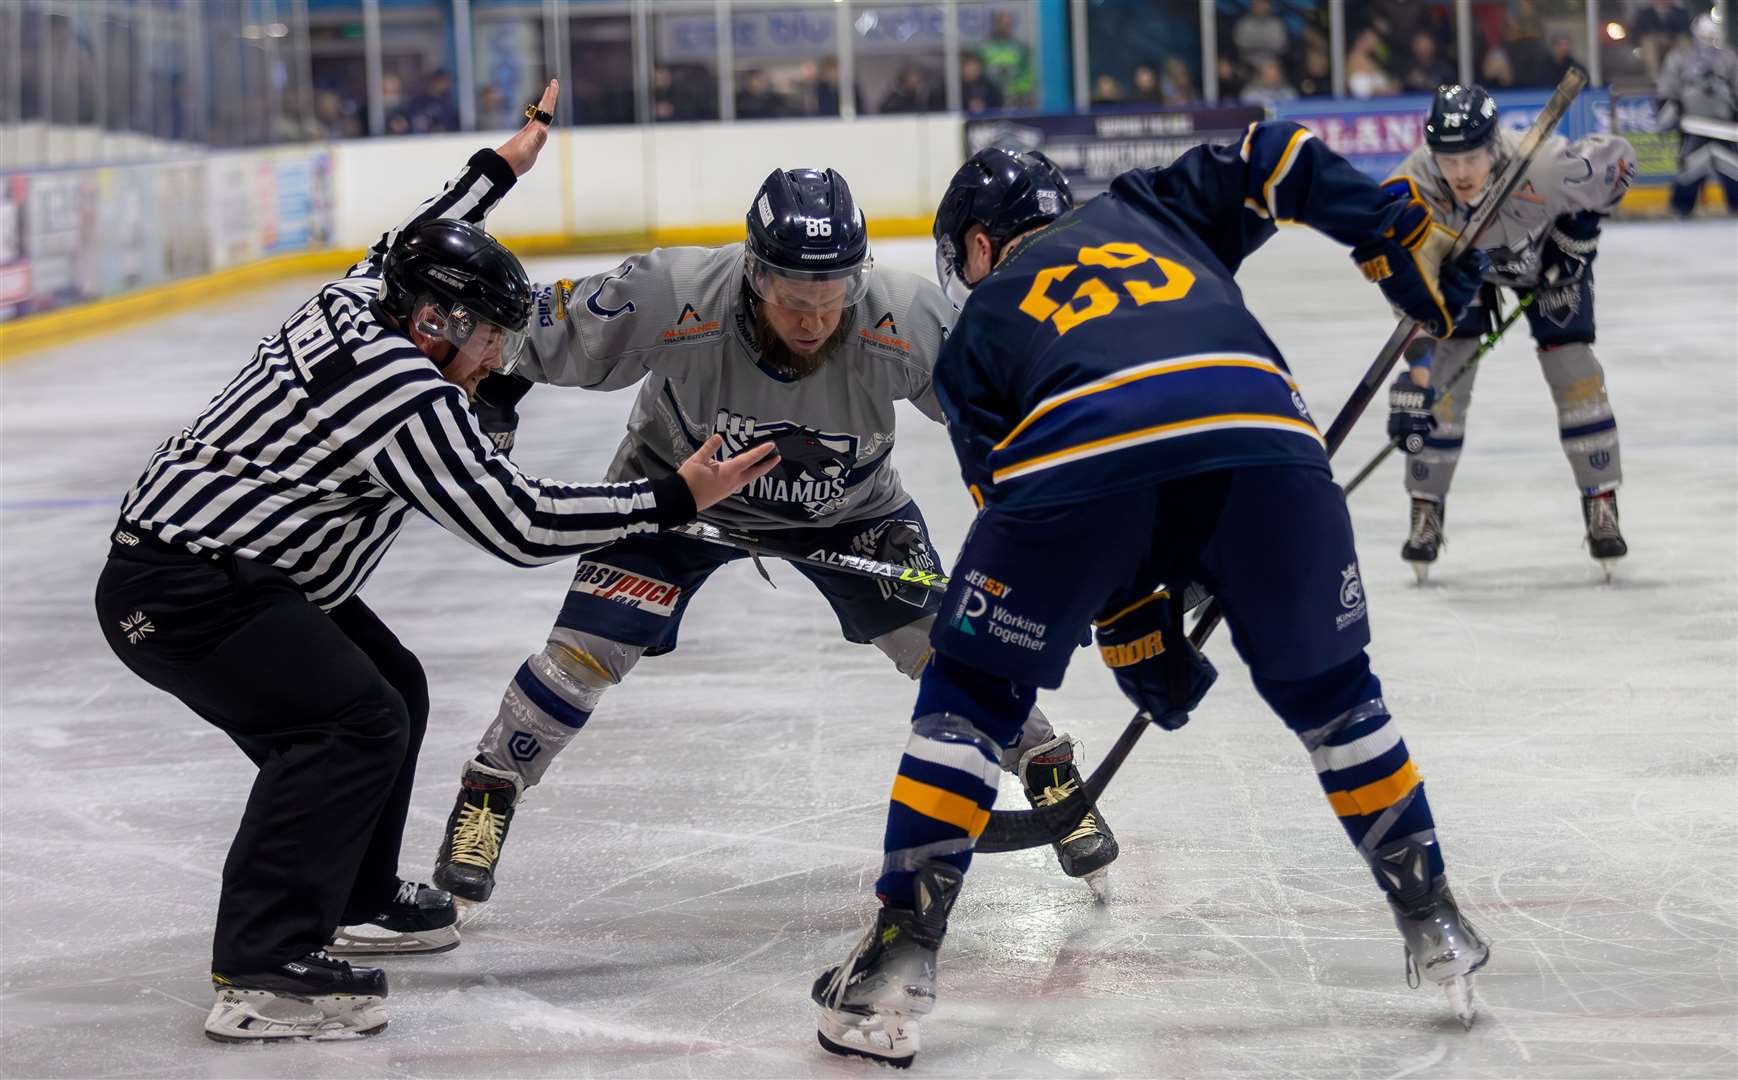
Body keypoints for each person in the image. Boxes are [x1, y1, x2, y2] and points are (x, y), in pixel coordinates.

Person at [91, 82, 778, 1044]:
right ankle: (260, 967)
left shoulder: (362, 295)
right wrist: (673, 497)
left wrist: (506, 163)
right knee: (343, 726)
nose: (501, 357)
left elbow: (421, 230)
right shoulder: (399, 395)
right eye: (491, 338)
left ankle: (358, 898)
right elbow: (520, 522)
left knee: (391, 686)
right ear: (436, 327)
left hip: (242, 569)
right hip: (190, 591)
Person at [809, 129, 1493, 1068]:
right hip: (1265, 440)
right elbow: (1274, 152)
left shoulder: (973, 340)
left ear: (976, 245)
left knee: (971, 693)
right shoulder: (1151, 209)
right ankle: (1434, 920)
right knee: (1336, 697)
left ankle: (898, 958)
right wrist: (1386, 229)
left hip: (1078, 460)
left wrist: (1134, 626)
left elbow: (1040, 529)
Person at [429, 165, 1124, 922]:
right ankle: (490, 788)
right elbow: (518, 325)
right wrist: (495, 388)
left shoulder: (909, 319)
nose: (812, 323)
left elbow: (1019, 427)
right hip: (680, 496)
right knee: (582, 655)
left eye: (831, 302)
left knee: (952, 646)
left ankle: (1050, 771)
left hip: (851, 510)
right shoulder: (670, 291)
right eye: (794, 300)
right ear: (755, 275)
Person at [1386, 85, 1636, 581]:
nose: (1459, 172)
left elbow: (1620, 163)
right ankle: (1425, 508)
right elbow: (1406, 284)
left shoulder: (1541, 166)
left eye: (1471, 156)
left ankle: (1601, 500)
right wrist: (1415, 373)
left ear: (1494, 145)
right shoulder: (1411, 187)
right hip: (1463, 274)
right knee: (1441, 380)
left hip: (1545, 263)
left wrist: (1579, 232)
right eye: (1447, 157)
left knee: (1573, 370)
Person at [1657, 14, 1738, 217]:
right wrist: (1670, 113)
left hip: (1724, 126)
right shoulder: (1680, 57)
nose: (1708, 38)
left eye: (1711, 34)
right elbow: (1669, 88)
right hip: (1693, 124)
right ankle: (1681, 207)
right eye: (1704, 34)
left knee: (1732, 168)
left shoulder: (1728, 57)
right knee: (1690, 167)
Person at [1233, 0, 1289, 69]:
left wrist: (1254, 42)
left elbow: (1280, 45)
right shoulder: (1244, 24)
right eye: (1258, 4)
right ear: (1253, 6)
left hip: (1271, 63)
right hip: (1247, 63)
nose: (1261, 7)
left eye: (1263, 4)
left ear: (1268, 6)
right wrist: (1267, 42)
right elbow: (1241, 43)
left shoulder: (1276, 24)